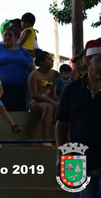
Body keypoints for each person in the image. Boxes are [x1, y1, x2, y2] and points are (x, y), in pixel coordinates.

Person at [56, 40, 101, 198]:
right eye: (100, 59)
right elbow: (61, 124)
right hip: (79, 162)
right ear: (88, 61)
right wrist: (60, 156)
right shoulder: (72, 90)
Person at [0, 27, 35, 111]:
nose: (7, 37)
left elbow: (31, 67)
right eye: (5, 35)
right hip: (1, 89)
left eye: (10, 35)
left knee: (21, 113)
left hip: (22, 88)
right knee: (4, 113)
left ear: (16, 38)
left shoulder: (23, 50)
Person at [28, 49, 60, 147]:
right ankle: (46, 139)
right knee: (48, 107)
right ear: (41, 62)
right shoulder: (34, 74)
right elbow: (33, 94)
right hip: (36, 101)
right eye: (49, 59)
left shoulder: (55, 74)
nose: (52, 61)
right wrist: (50, 101)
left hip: (52, 100)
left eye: (51, 59)